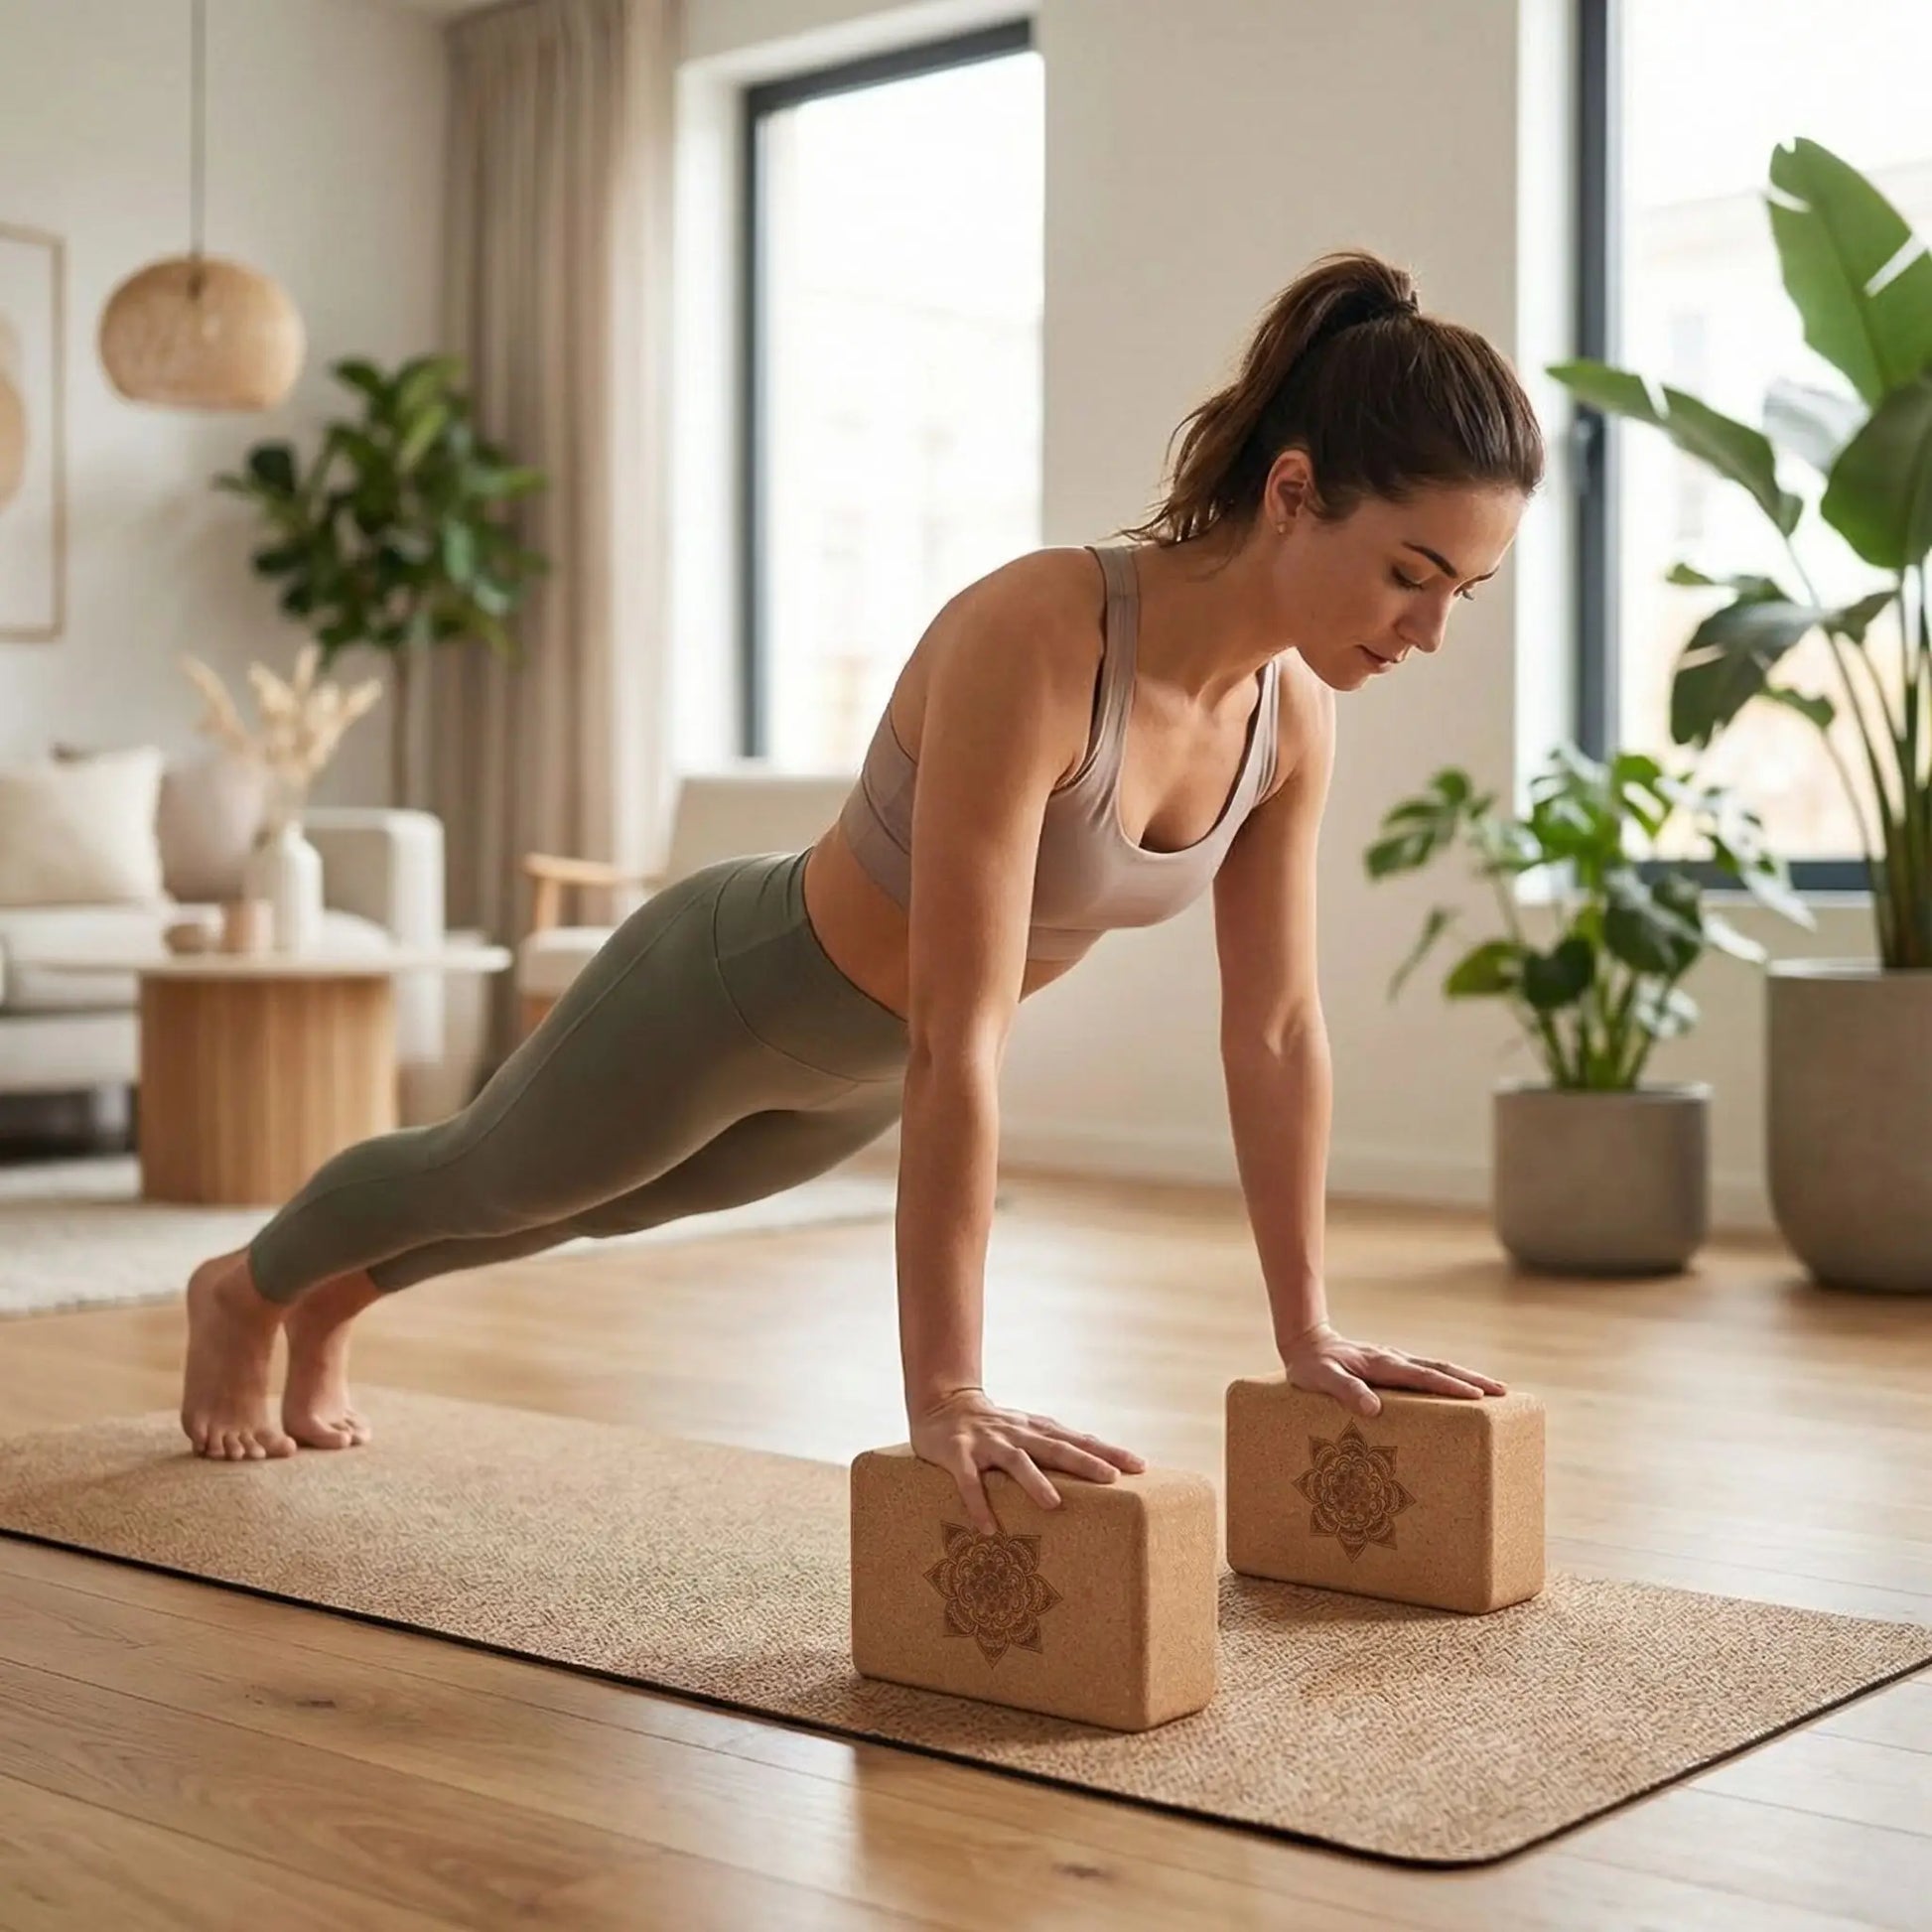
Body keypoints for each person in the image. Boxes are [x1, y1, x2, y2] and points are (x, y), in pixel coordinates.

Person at [180, 247, 1541, 1536]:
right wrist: (946, 1391)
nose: (1426, 630)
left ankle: (333, 1292)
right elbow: (963, 1027)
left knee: (584, 1206)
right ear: (1294, 492)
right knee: (489, 1173)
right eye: (1409, 574)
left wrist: (1305, 1329)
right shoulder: (1041, 633)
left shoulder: (1291, 720)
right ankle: (244, 1290)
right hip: (726, 989)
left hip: (861, 1069)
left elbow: (1278, 1030)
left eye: (1462, 594)